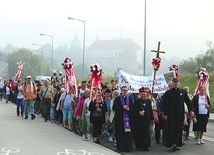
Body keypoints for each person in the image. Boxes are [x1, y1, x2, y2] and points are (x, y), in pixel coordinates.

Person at [163, 78, 194, 151]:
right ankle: (173, 143)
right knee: (172, 128)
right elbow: (165, 104)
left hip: (180, 114)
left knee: (179, 128)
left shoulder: (183, 92)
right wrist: (165, 114)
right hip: (171, 114)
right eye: (174, 82)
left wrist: (191, 110)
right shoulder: (168, 93)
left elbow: (188, 102)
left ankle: (178, 143)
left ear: (179, 83)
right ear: (172, 83)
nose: (176, 83)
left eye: (177, 82)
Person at [132, 87, 153, 151]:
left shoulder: (148, 101)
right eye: (142, 94)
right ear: (140, 94)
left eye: (144, 94)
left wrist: (152, 118)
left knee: (146, 133)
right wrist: (139, 112)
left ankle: (145, 146)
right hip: (138, 120)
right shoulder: (136, 101)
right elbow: (134, 109)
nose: (143, 95)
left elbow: (150, 110)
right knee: (138, 132)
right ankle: (138, 145)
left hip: (146, 119)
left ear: (146, 94)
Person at [113, 85, 133, 152]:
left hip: (127, 119)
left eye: (126, 90)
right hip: (119, 119)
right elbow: (114, 108)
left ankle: (127, 147)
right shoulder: (117, 99)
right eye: (123, 90)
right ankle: (120, 147)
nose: (125, 92)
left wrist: (128, 109)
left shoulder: (129, 99)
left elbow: (132, 109)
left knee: (127, 134)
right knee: (120, 133)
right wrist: (122, 108)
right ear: (121, 91)